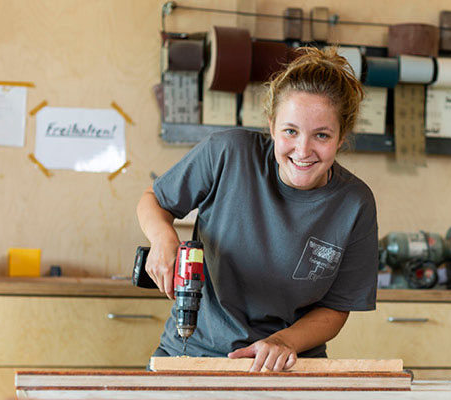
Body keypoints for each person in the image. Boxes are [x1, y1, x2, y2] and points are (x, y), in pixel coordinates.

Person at [136, 48, 379, 372]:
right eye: (290, 131)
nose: (303, 150)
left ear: (341, 137)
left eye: (321, 135)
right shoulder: (227, 153)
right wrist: (163, 239)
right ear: (271, 125)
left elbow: (335, 309)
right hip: (193, 355)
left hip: (286, 368)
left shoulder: (354, 203)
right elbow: (153, 199)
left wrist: (285, 342)